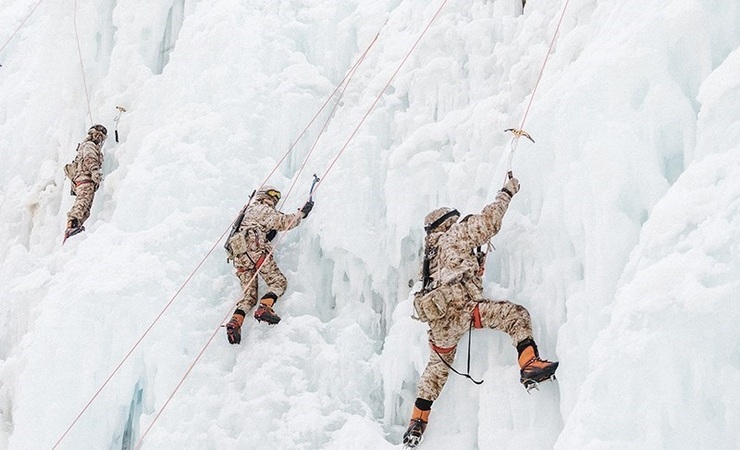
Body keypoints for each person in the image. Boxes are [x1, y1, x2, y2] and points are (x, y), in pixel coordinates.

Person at [402, 175, 558, 448]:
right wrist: (506, 193)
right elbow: (489, 223)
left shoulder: (429, 258)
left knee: (436, 371)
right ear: (446, 223)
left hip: (441, 324)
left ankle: (417, 423)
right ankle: (529, 363)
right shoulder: (454, 235)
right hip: (466, 310)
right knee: (515, 316)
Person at [224, 185, 314, 344]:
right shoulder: (262, 209)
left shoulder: (247, 213)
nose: (273, 199)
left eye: (276, 197)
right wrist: (302, 213)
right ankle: (265, 307)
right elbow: (284, 222)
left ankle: (235, 323)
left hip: (239, 257)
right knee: (278, 282)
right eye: (271, 195)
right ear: (261, 196)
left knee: (248, 298)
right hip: (255, 251)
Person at [63, 124, 107, 241]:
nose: (98, 137)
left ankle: (76, 227)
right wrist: (94, 170)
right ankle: (72, 225)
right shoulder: (89, 145)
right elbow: (89, 158)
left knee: (86, 208)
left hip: (86, 181)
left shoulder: (92, 147)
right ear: (91, 134)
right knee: (82, 203)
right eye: (96, 134)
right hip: (85, 178)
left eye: (101, 136)